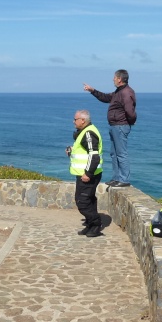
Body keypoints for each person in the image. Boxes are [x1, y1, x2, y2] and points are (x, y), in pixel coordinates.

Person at [83, 69, 137, 187]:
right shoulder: (119, 91)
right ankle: (117, 178)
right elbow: (106, 98)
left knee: (121, 153)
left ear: (119, 79)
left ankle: (124, 180)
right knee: (114, 153)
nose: (113, 79)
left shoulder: (126, 93)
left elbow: (130, 111)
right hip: (115, 126)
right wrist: (93, 91)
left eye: (114, 77)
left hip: (120, 126)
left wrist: (131, 121)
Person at [67, 109, 103, 237]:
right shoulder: (84, 132)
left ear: (83, 120)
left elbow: (94, 156)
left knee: (82, 201)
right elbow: (84, 151)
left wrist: (88, 173)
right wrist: (71, 151)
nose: (73, 122)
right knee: (89, 199)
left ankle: (96, 223)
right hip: (87, 173)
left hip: (88, 175)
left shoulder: (88, 133)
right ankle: (90, 225)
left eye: (75, 119)